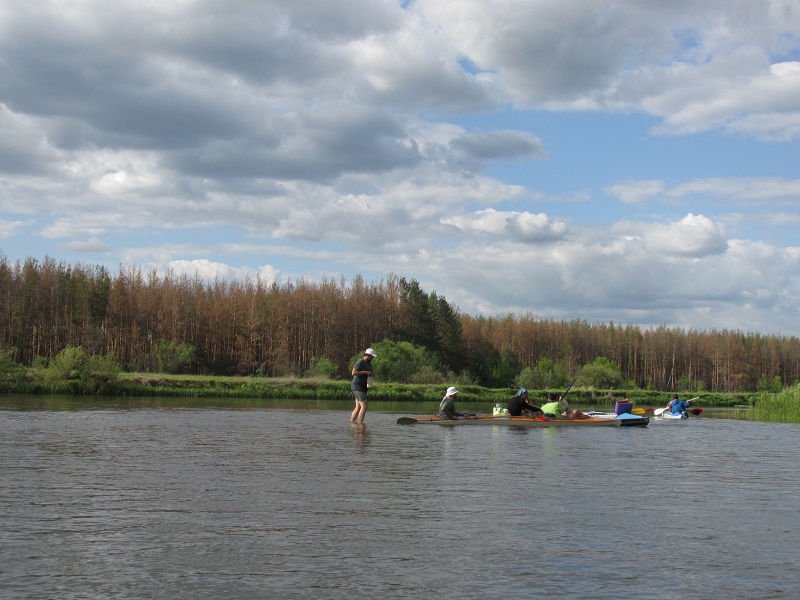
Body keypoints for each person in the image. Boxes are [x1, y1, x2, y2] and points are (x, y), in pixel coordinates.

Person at [350, 347, 377, 424]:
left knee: (358, 407)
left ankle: (352, 423)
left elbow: (369, 373)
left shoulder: (368, 364)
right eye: (371, 357)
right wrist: (365, 372)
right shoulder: (360, 362)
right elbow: (354, 372)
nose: (372, 358)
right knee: (364, 406)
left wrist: (371, 374)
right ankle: (360, 424)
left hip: (363, 387)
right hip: (358, 387)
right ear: (367, 355)